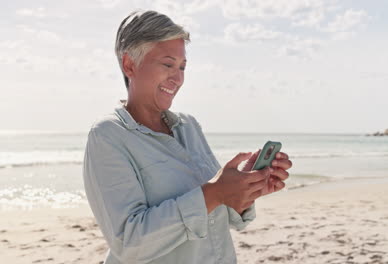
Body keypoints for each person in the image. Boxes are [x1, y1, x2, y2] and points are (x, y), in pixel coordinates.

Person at [83, 10, 292, 264]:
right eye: (168, 64)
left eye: (183, 67)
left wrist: (245, 187)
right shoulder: (108, 136)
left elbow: (217, 213)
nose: (178, 77)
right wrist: (214, 192)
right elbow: (129, 243)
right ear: (130, 65)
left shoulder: (188, 126)